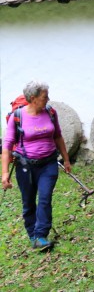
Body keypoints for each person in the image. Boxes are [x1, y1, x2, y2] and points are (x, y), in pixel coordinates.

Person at [1, 81, 72, 251]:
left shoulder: (50, 112)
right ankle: (33, 234)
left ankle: (41, 235)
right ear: (33, 98)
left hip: (48, 163)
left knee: (45, 198)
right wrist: (5, 173)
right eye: (44, 97)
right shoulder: (18, 116)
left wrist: (66, 159)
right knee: (28, 202)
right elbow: (8, 144)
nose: (48, 99)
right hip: (25, 166)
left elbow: (58, 136)